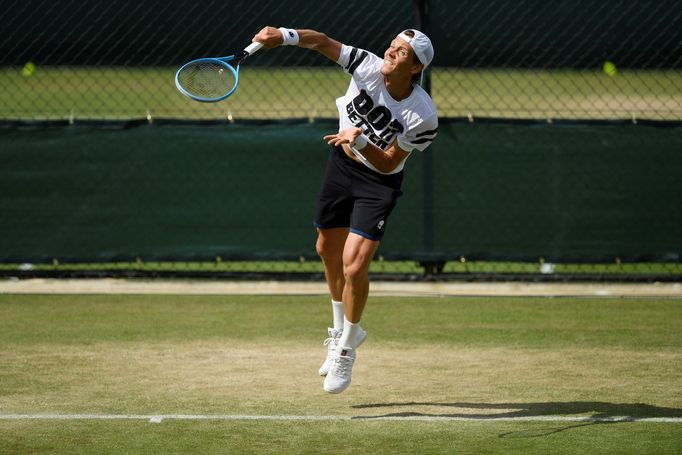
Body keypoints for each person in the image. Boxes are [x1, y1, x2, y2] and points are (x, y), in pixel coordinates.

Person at [253, 26, 438, 394]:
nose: (390, 53)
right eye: (392, 46)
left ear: (416, 68)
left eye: (401, 53)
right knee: (326, 249)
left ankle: (348, 347)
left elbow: (388, 164)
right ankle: (339, 330)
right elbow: (321, 42)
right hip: (340, 167)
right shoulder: (366, 66)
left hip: (378, 184)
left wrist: (361, 138)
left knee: (355, 265)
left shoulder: (423, 116)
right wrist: (284, 36)